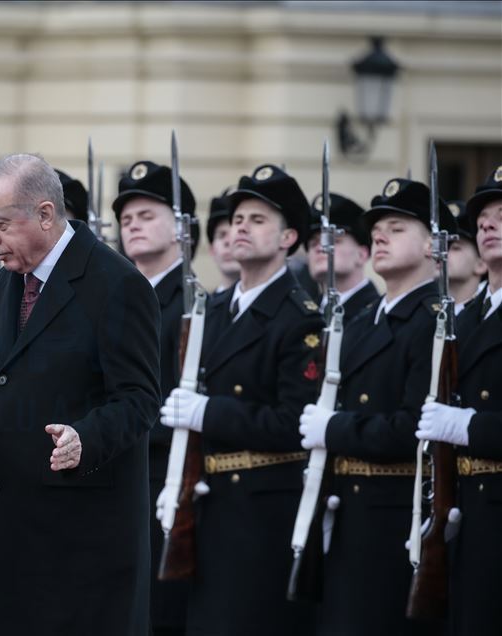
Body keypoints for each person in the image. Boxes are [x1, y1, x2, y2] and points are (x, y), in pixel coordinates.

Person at [0, 153, 161, 635]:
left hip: (83, 544)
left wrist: (85, 438)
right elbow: (2, 410)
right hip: (13, 535)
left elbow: (139, 399)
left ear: (46, 214)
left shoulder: (117, 284)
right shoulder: (9, 281)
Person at [161, 163, 323, 635]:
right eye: (236, 220)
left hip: (261, 511)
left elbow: (294, 422)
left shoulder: (300, 318)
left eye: (257, 220)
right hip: (207, 504)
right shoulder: (212, 310)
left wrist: (210, 412)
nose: (240, 229)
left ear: (288, 237)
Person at [298, 177, 456, 636]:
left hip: (395, 517)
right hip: (348, 512)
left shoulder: (433, 321)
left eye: (397, 228)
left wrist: (335, 429)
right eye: (378, 229)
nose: (381, 236)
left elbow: (413, 428)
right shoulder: (364, 320)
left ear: (433, 246)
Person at [416, 165, 501, 635]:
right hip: (463, 514)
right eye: (482, 219)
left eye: (501, 217)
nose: (487, 226)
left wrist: (469, 427)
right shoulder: (464, 321)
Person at [113, 159, 196, 636]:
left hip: (162, 474)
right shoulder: (120, 297)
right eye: (126, 219)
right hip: (118, 471)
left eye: (147, 215)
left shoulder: (192, 304)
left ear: (181, 227)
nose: (133, 226)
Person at [304, 191, 380, 323]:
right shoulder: (304, 314)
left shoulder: (377, 314)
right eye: (313, 243)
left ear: (362, 254)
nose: (321, 248)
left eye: (333, 241)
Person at [446, 200, 487, 314]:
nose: (443, 253)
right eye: (441, 246)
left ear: (481, 264)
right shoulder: (426, 314)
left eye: (455, 248)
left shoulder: (489, 313)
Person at [206, 187, 240, 294]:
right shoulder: (203, 303)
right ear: (212, 250)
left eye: (237, 233)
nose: (228, 242)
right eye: (221, 235)